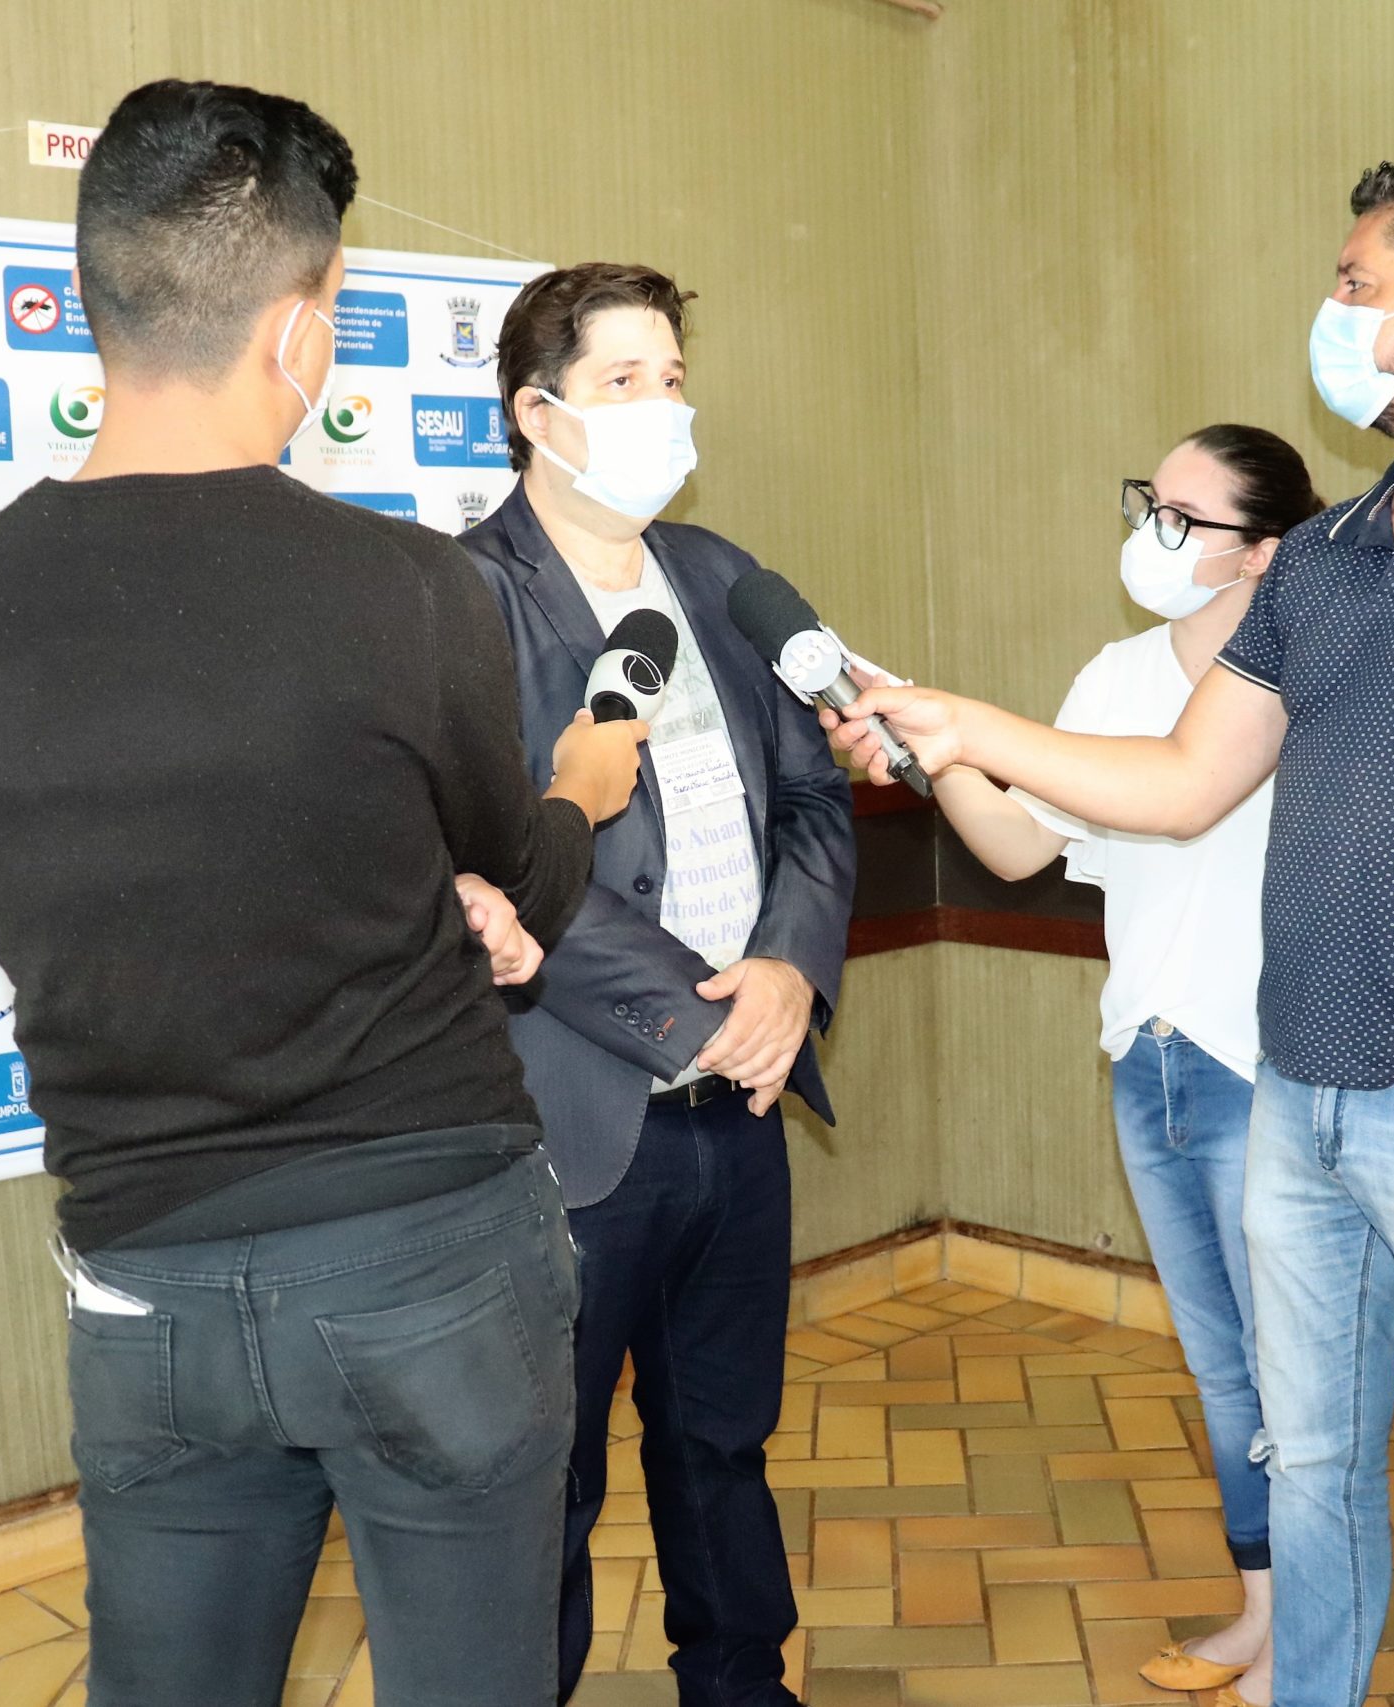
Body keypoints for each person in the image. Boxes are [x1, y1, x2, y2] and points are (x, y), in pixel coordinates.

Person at [824, 157, 1394, 1707]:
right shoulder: (1324, 554)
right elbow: (1184, 780)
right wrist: (962, 724)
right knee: (1306, 1460)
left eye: (1357, 285)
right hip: (1295, 1091)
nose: (1331, 310)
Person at [0, 80, 645, 1707]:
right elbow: (520, 875)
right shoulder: (406, 585)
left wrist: (415, 875)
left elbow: (150, 861)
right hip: (430, 1254)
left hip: (142, 1274)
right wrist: (582, 781)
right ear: (298, 330)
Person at [458, 262, 856, 1707]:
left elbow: (812, 796)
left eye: (673, 377)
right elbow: (508, 859)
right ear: (538, 412)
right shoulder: (466, 597)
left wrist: (789, 976)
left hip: (739, 1106)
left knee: (723, 1441)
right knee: (543, 1476)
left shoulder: (717, 572)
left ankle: (742, 1684)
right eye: (623, 380)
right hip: (571, 1122)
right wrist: (710, 1015)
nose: (662, 407)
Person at [934, 425, 1322, 1703]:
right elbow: (1016, 847)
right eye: (1149, 504)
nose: (1152, 534)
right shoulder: (1115, 674)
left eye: (1184, 518)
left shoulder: (1318, 671)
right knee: (1221, 1365)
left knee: (1297, 1375)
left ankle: (1313, 1638)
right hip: (1147, 1054)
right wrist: (940, 752)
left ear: (1263, 553)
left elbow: (1188, 794)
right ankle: (1262, 1613)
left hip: (1269, 1066)